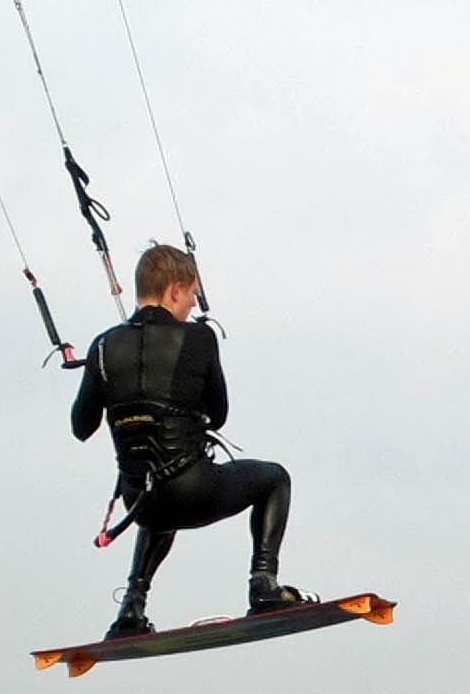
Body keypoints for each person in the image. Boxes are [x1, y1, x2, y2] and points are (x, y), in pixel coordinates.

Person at [71, 244, 305, 637]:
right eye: (193, 294)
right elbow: (220, 413)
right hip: (194, 491)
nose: (194, 305)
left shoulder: (102, 346)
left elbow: (82, 427)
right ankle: (263, 583)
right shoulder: (199, 339)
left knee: (154, 481)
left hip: (140, 503)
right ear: (175, 290)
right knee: (275, 478)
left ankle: (132, 605)